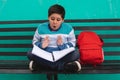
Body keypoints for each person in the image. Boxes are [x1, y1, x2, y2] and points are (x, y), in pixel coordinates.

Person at [27, 4, 81, 72]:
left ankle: (42, 66)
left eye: (58, 20)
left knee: (76, 53)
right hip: (45, 53)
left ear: (62, 20)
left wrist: (62, 46)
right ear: (48, 17)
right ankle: (63, 66)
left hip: (61, 54)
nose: (54, 22)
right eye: (52, 19)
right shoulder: (41, 27)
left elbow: (73, 43)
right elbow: (34, 42)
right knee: (30, 53)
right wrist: (41, 45)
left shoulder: (68, 28)